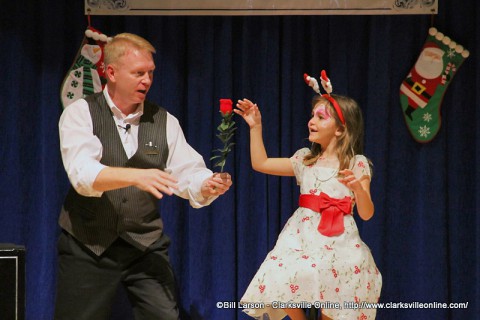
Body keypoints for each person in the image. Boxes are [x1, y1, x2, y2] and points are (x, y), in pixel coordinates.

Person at [56, 32, 232, 320]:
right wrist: (136, 176)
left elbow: (187, 171)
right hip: (89, 245)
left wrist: (206, 183)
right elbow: (82, 175)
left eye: (150, 73)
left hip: (144, 245)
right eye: (138, 73)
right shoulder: (80, 113)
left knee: (164, 315)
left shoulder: (163, 120)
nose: (147, 81)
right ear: (110, 72)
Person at [234, 76, 382, 320]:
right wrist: (255, 127)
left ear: (340, 129)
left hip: (340, 244)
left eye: (320, 117)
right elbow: (261, 163)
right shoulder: (305, 160)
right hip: (303, 239)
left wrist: (358, 189)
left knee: (341, 288)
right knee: (280, 274)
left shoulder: (357, 164)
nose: (311, 121)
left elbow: (367, 213)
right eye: (312, 116)